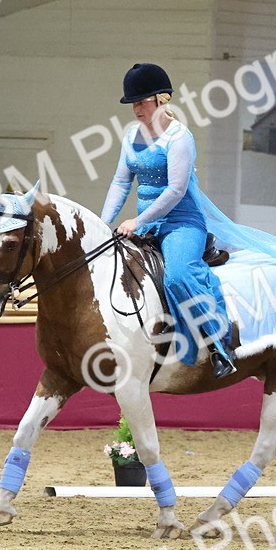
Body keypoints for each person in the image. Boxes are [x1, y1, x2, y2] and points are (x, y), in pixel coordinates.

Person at [101, 63, 237, 378]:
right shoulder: (131, 135)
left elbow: (175, 191)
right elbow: (121, 183)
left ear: (161, 99)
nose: (135, 108)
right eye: (132, 103)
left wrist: (137, 220)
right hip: (145, 222)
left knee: (176, 277)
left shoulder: (180, 137)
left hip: (181, 222)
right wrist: (101, 223)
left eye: (141, 101)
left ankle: (217, 346)